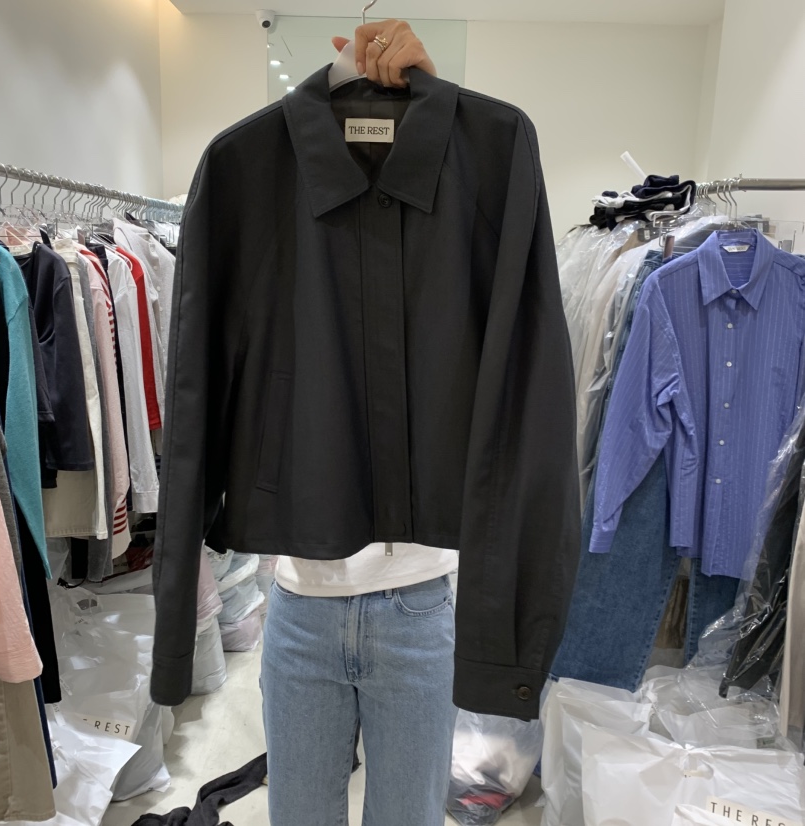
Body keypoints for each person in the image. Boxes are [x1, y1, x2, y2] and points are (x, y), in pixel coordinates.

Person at [259, 23, 456, 826]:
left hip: (416, 597)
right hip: (300, 598)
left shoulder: (464, 184)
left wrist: (432, 109)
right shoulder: (264, 181)